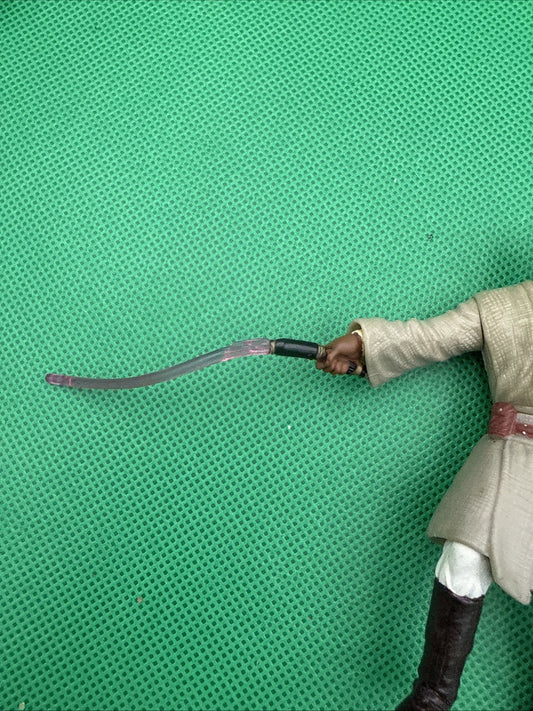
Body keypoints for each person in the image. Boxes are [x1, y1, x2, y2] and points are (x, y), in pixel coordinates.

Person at [316, 280, 533, 711]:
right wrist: (366, 343)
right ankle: (432, 696)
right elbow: (432, 337)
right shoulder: (507, 308)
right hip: (515, 455)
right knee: (465, 555)